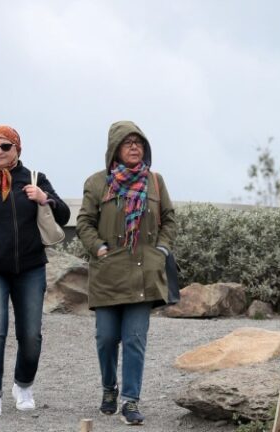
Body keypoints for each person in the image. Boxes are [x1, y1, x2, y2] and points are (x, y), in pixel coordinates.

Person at [0, 125, 70, 417]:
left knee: (31, 335)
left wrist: (45, 199)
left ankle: (23, 385)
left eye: (5, 146)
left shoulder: (35, 179)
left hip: (30, 268)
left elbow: (64, 215)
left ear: (17, 148)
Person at [76, 121, 177, 426]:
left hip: (142, 273)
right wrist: (99, 249)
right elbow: (83, 223)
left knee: (134, 338)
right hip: (108, 272)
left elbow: (169, 220)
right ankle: (109, 388)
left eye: (139, 142)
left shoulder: (155, 182)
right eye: (127, 142)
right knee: (106, 338)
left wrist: (161, 250)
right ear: (115, 150)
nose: (135, 147)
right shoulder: (97, 183)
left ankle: (130, 400)